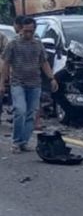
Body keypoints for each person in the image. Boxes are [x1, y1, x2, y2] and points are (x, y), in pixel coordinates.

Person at [0, 17, 58, 153]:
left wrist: (51, 78)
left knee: (31, 113)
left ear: (34, 30)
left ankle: (23, 141)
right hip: (18, 83)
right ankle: (16, 141)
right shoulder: (13, 44)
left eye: (30, 31)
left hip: (35, 84)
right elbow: (6, 63)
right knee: (20, 111)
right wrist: (2, 83)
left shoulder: (38, 45)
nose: (27, 34)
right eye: (25, 31)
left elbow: (44, 62)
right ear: (21, 29)